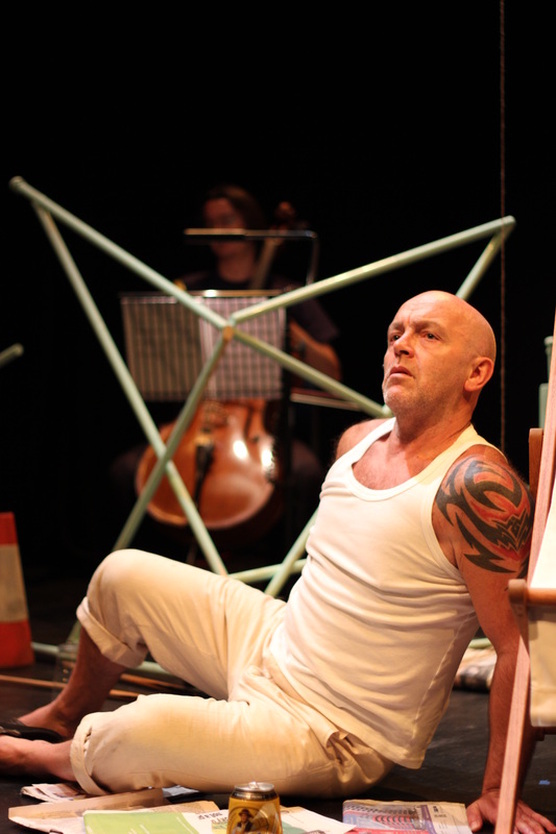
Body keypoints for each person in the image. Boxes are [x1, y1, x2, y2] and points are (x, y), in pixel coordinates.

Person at [1, 291, 554, 834]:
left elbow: (518, 647)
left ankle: (40, 757)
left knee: (135, 729)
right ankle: (64, 715)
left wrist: (497, 790)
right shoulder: (359, 440)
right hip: (276, 642)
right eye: (395, 334)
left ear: (477, 372)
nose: (401, 346)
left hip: (332, 732)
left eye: (428, 335)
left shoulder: (477, 486)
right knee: (122, 574)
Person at [110, 183, 342, 555]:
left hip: (260, 427)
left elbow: (331, 372)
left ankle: (289, 576)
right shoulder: (189, 289)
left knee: (304, 473)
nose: (218, 229)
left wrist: (292, 330)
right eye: (210, 222)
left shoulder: (286, 292)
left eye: (228, 219)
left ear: (251, 223)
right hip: (200, 413)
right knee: (126, 471)